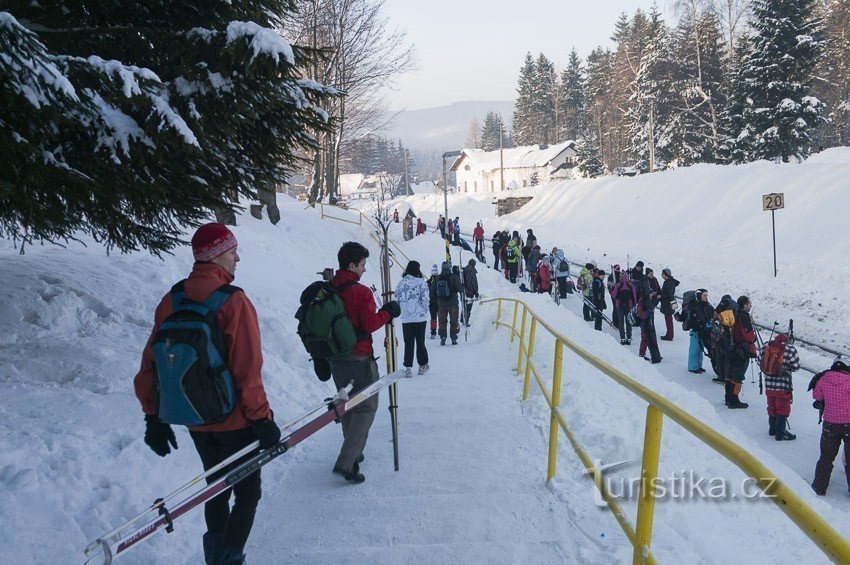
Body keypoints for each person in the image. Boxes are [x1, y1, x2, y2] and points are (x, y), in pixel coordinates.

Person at [134, 223, 280, 565]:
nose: (237, 258)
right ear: (216, 256)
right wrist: (262, 419)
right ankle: (227, 560)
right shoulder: (233, 301)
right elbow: (247, 369)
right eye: (232, 252)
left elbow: (150, 362)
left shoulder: (172, 299)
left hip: (194, 417)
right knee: (247, 491)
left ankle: (214, 557)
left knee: (216, 484)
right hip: (233, 420)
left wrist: (152, 416)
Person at [329, 241, 400, 483]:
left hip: (335, 360)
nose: (364, 270)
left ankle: (353, 453)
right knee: (366, 407)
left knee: (348, 404)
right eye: (362, 265)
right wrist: (389, 312)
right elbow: (370, 324)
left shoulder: (329, 288)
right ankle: (348, 461)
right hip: (359, 357)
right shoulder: (360, 292)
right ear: (351, 264)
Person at [811, 355, 850, 495]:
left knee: (826, 457)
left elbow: (817, 397)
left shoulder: (823, 379)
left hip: (830, 424)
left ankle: (819, 487)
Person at [395, 261, 430, 377]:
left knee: (408, 343)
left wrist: (403, 311)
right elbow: (425, 299)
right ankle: (422, 365)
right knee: (420, 342)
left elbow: (397, 298)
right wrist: (424, 311)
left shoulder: (401, 283)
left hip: (406, 318)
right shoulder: (422, 283)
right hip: (420, 318)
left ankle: (408, 368)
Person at [761, 333, 800, 438]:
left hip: (769, 384)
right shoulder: (791, 350)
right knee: (782, 408)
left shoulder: (766, 345)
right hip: (783, 385)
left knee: (771, 406)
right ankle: (780, 433)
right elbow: (796, 367)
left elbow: (762, 361)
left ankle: (772, 429)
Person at [725, 296, 756, 409]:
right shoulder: (744, 317)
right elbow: (748, 336)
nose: (751, 305)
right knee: (738, 376)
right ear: (745, 304)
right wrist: (753, 338)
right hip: (742, 350)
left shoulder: (735, 314)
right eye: (749, 303)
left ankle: (728, 398)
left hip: (733, 348)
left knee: (730, 374)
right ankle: (734, 400)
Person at [430, 261, 462, 345]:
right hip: (453, 303)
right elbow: (460, 289)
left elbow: (432, 291)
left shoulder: (438, 278)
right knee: (453, 321)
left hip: (441, 304)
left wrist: (436, 298)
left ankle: (443, 338)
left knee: (442, 321)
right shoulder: (454, 277)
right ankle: (453, 338)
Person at [636, 266, 662, 364]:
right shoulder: (643, 301)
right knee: (645, 338)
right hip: (645, 322)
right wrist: (649, 313)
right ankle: (641, 354)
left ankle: (651, 354)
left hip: (649, 321)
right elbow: (641, 313)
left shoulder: (649, 300)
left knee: (649, 338)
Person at [687, 289, 713, 374]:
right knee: (695, 349)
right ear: (699, 296)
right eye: (704, 295)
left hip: (704, 330)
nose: (706, 297)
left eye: (707, 295)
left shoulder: (707, 305)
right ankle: (692, 367)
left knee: (700, 349)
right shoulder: (694, 305)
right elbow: (692, 319)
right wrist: (700, 325)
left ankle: (698, 365)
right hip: (696, 331)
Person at [612, 267, 636, 345]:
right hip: (629, 306)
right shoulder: (631, 285)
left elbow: (613, 295)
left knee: (621, 323)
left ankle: (622, 338)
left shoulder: (618, 285)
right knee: (629, 322)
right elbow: (634, 296)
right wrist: (633, 304)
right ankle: (629, 339)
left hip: (619, 306)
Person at [659, 268, 679, 341]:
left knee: (668, 320)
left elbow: (669, 294)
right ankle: (669, 334)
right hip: (669, 303)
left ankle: (669, 335)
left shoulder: (668, 282)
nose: (661, 275)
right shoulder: (670, 281)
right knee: (668, 319)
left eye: (662, 274)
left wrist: (661, 296)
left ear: (665, 275)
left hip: (668, 303)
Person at [461, 259, 480, 326]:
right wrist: (476, 292)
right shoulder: (472, 271)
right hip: (470, 292)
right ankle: (466, 321)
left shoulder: (464, 270)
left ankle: (462, 318)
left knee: (464, 305)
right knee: (468, 307)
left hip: (464, 291)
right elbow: (473, 283)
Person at [427, 264, 439, 339]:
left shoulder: (428, 282)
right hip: (440, 301)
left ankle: (433, 332)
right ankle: (441, 331)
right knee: (441, 317)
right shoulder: (440, 280)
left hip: (432, 302)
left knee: (433, 318)